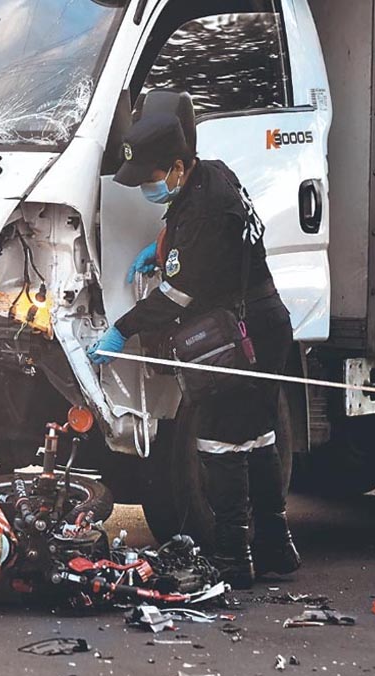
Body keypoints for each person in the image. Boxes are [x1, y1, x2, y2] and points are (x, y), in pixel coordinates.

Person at [89, 104, 300, 589]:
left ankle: (230, 559)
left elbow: (175, 296)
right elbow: (190, 233)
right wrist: (163, 248)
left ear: (179, 167)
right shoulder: (213, 177)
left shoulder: (203, 206)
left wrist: (123, 329)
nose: (148, 186)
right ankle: (275, 545)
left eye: (152, 176)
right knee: (260, 435)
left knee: (220, 441)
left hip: (241, 334)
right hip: (264, 325)